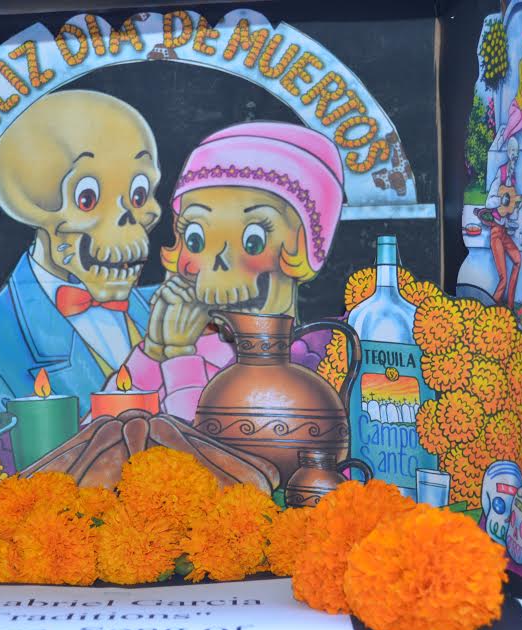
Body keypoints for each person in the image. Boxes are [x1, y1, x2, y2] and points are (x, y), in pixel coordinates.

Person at [108, 121, 346, 422]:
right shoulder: (191, 345)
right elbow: (99, 436)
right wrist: (153, 351)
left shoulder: (318, 361)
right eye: (196, 238)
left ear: (303, 249)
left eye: (253, 241)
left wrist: (180, 359)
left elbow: (211, 454)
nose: (217, 261)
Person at [0, 91, 162, 419]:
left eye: (138, 194)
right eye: (88, 198)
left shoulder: (169, 312)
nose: (128, 221)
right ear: (30, 205)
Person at [475, 137, 522, 309]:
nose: (514, 155)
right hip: (496, 230)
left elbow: (509, 207)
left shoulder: (513, 179)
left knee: (518, 260)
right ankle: (491, 309)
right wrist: (502, 199)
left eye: (517, 152)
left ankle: (509, 306)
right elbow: (489, 202)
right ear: (508, 153)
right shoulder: (501, 173)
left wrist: (513, 212)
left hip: (505, 231)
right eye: (512, 151)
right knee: (503, 276)